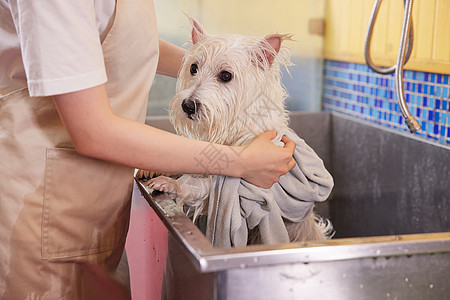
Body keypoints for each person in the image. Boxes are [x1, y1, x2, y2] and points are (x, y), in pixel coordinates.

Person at [0, 0, 296, 299]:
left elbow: (121, 40)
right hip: (39, 205)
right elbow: (93, 132)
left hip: (97, 204)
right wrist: (239, 161)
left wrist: (226, 70)